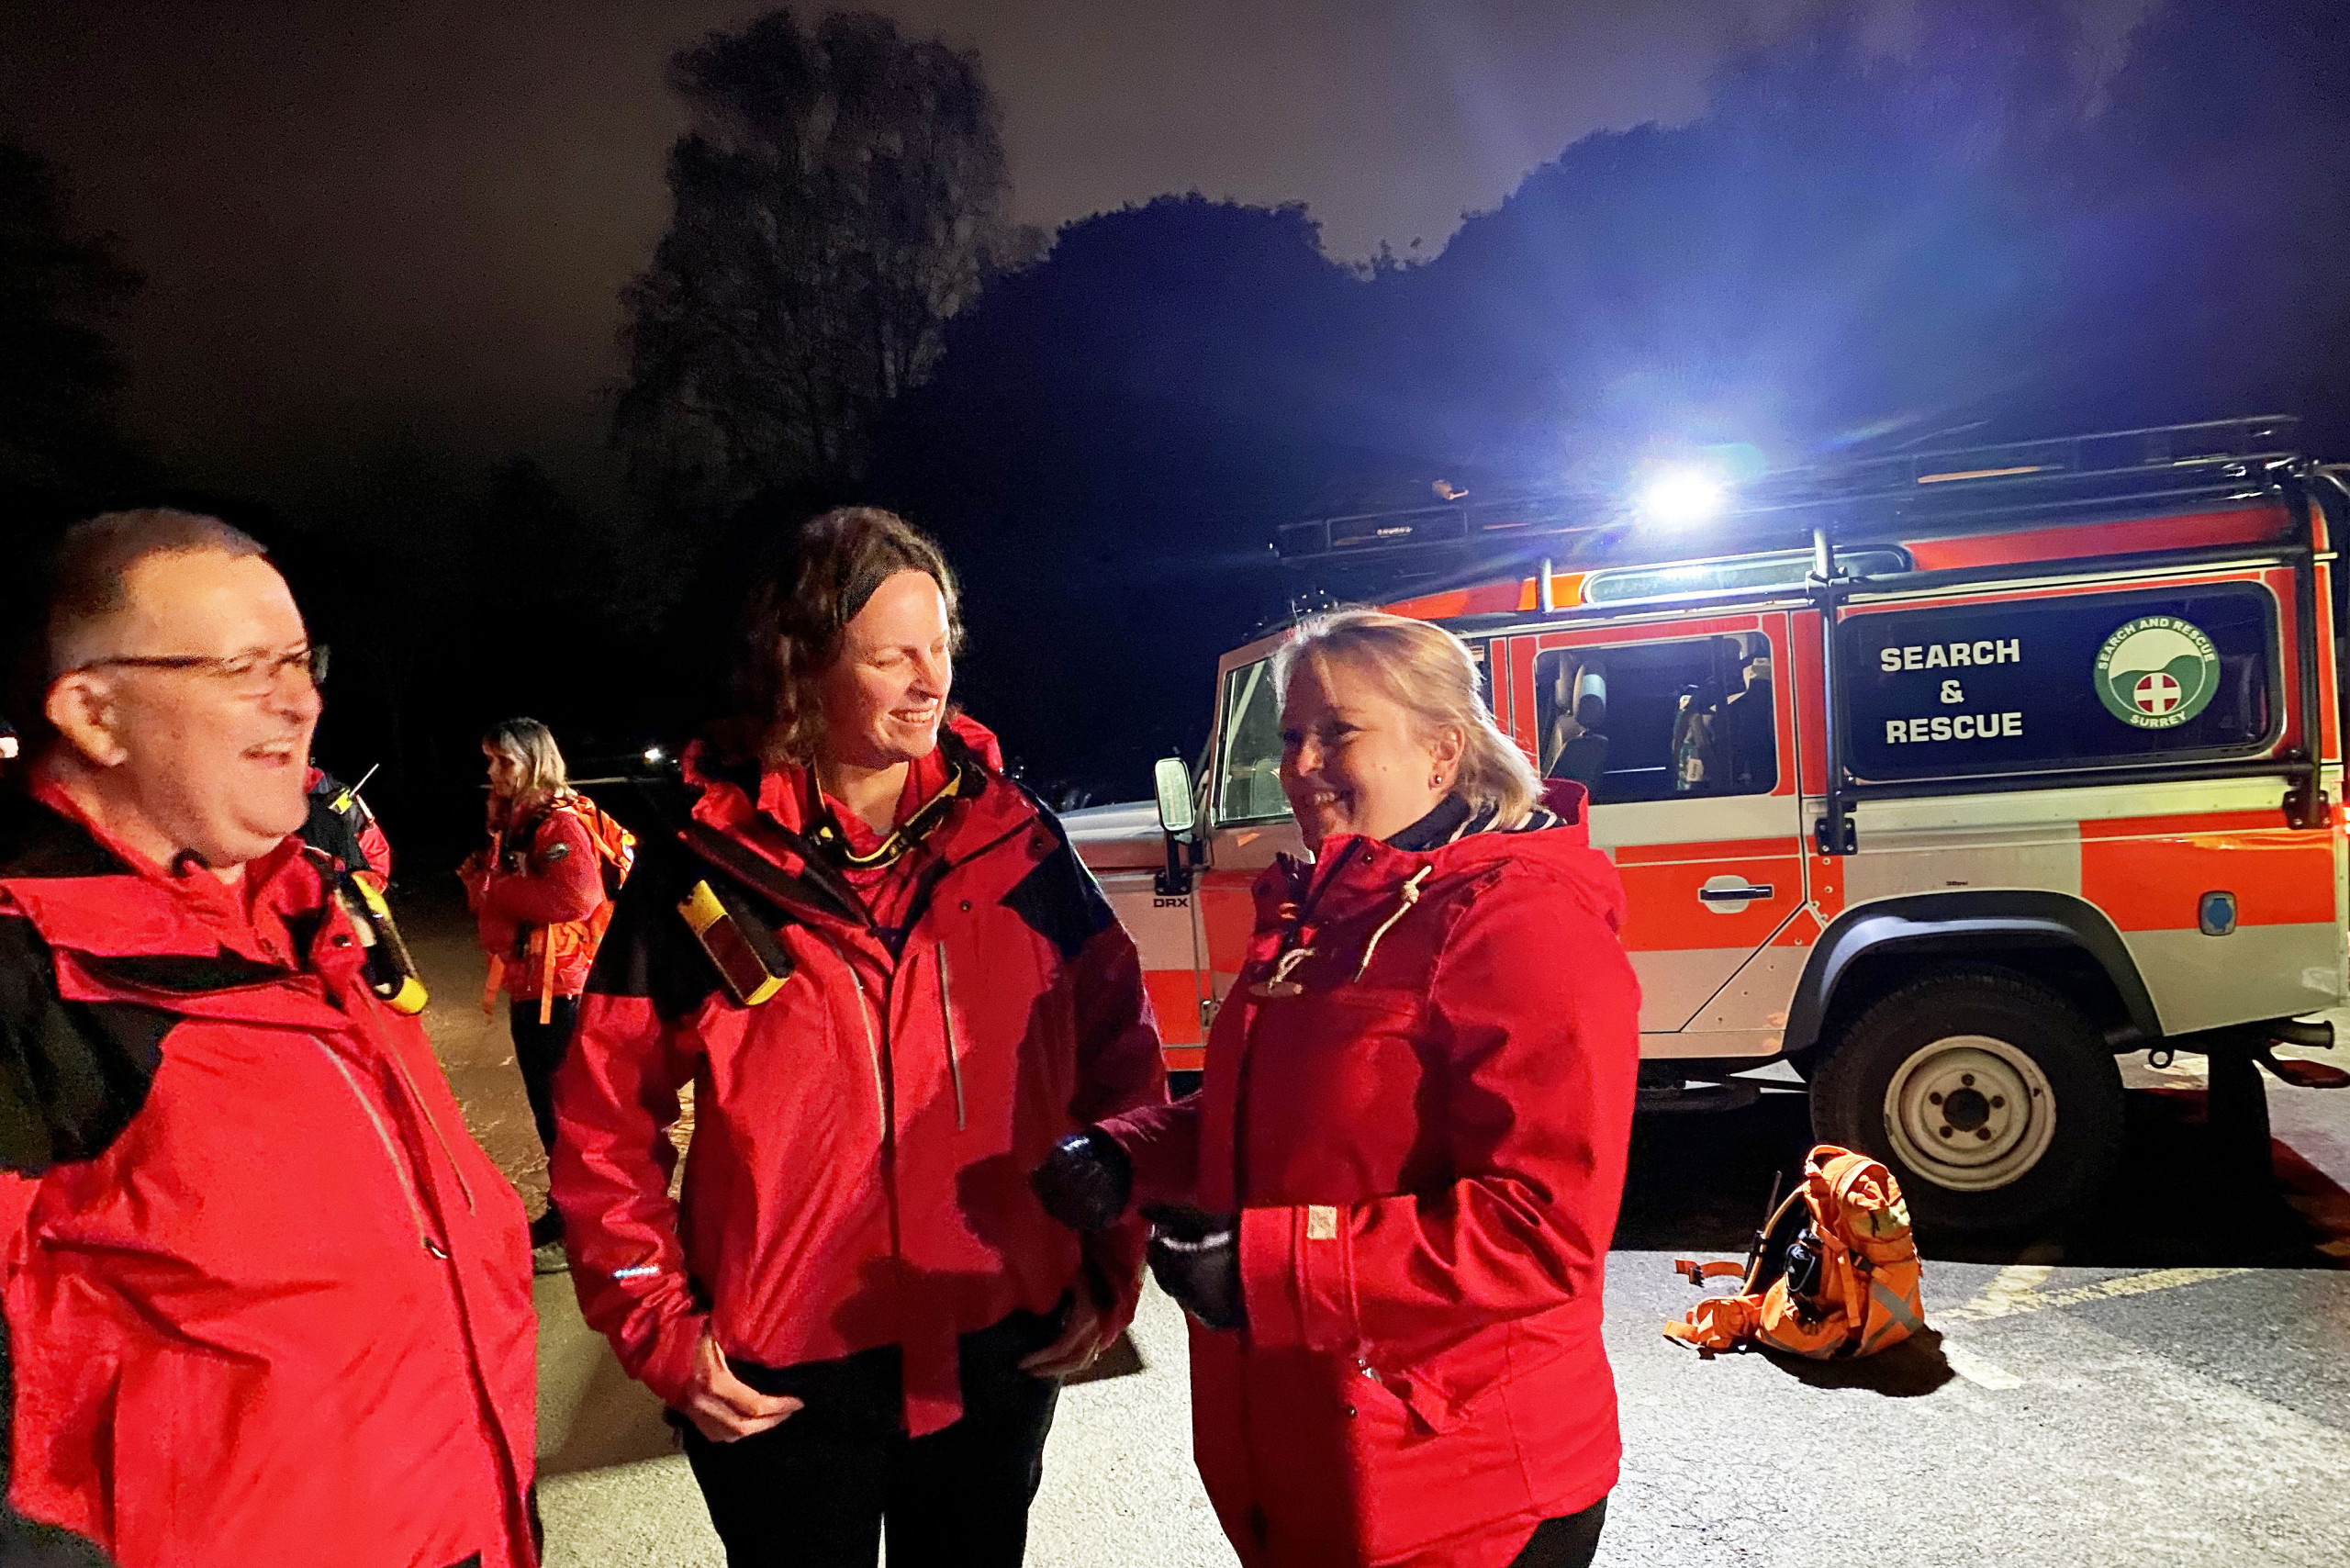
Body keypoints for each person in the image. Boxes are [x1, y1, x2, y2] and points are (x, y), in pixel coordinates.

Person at [550, 507, 1167, 1568]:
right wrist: (655, 1323)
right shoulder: (703, 870)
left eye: (940, 648)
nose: (931, 680)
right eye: (892, 657)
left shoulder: (1017, 846)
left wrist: (1110, 1259)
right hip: (781, 1366)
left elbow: (1122, 1059)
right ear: (804, 667)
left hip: (992, 1337)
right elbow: (602, 1121)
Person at [1033, 609, 1641, 1568]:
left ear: (1441, 752)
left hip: (1461, 1492)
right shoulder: (1331, 910)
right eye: (1288, 736)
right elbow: (1271, 1118)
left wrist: (1270, 1267)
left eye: (1337, 732)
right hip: (1320, 1460)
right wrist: (1128, 1151)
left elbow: (1540, 1230)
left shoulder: (1519, 920)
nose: (1300, 763)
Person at [0, 509, 537, 1567]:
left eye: (300, 659)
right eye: (243, 665)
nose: (299, 699)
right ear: (94, 712)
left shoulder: (315, 918)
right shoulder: (27, 981)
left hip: (466, 1527)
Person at [462, 717, 611, 1254]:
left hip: (559, 990)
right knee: (555, 1111)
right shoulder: (522, 823)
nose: (492, 771)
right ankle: (573, 1216)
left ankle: (578, 1228)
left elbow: (578, 897)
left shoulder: (556, 825)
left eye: (502, 760)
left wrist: (498, 891)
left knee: (563, 1113)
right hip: (537, 986)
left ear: (534, 762)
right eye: (490, 760)